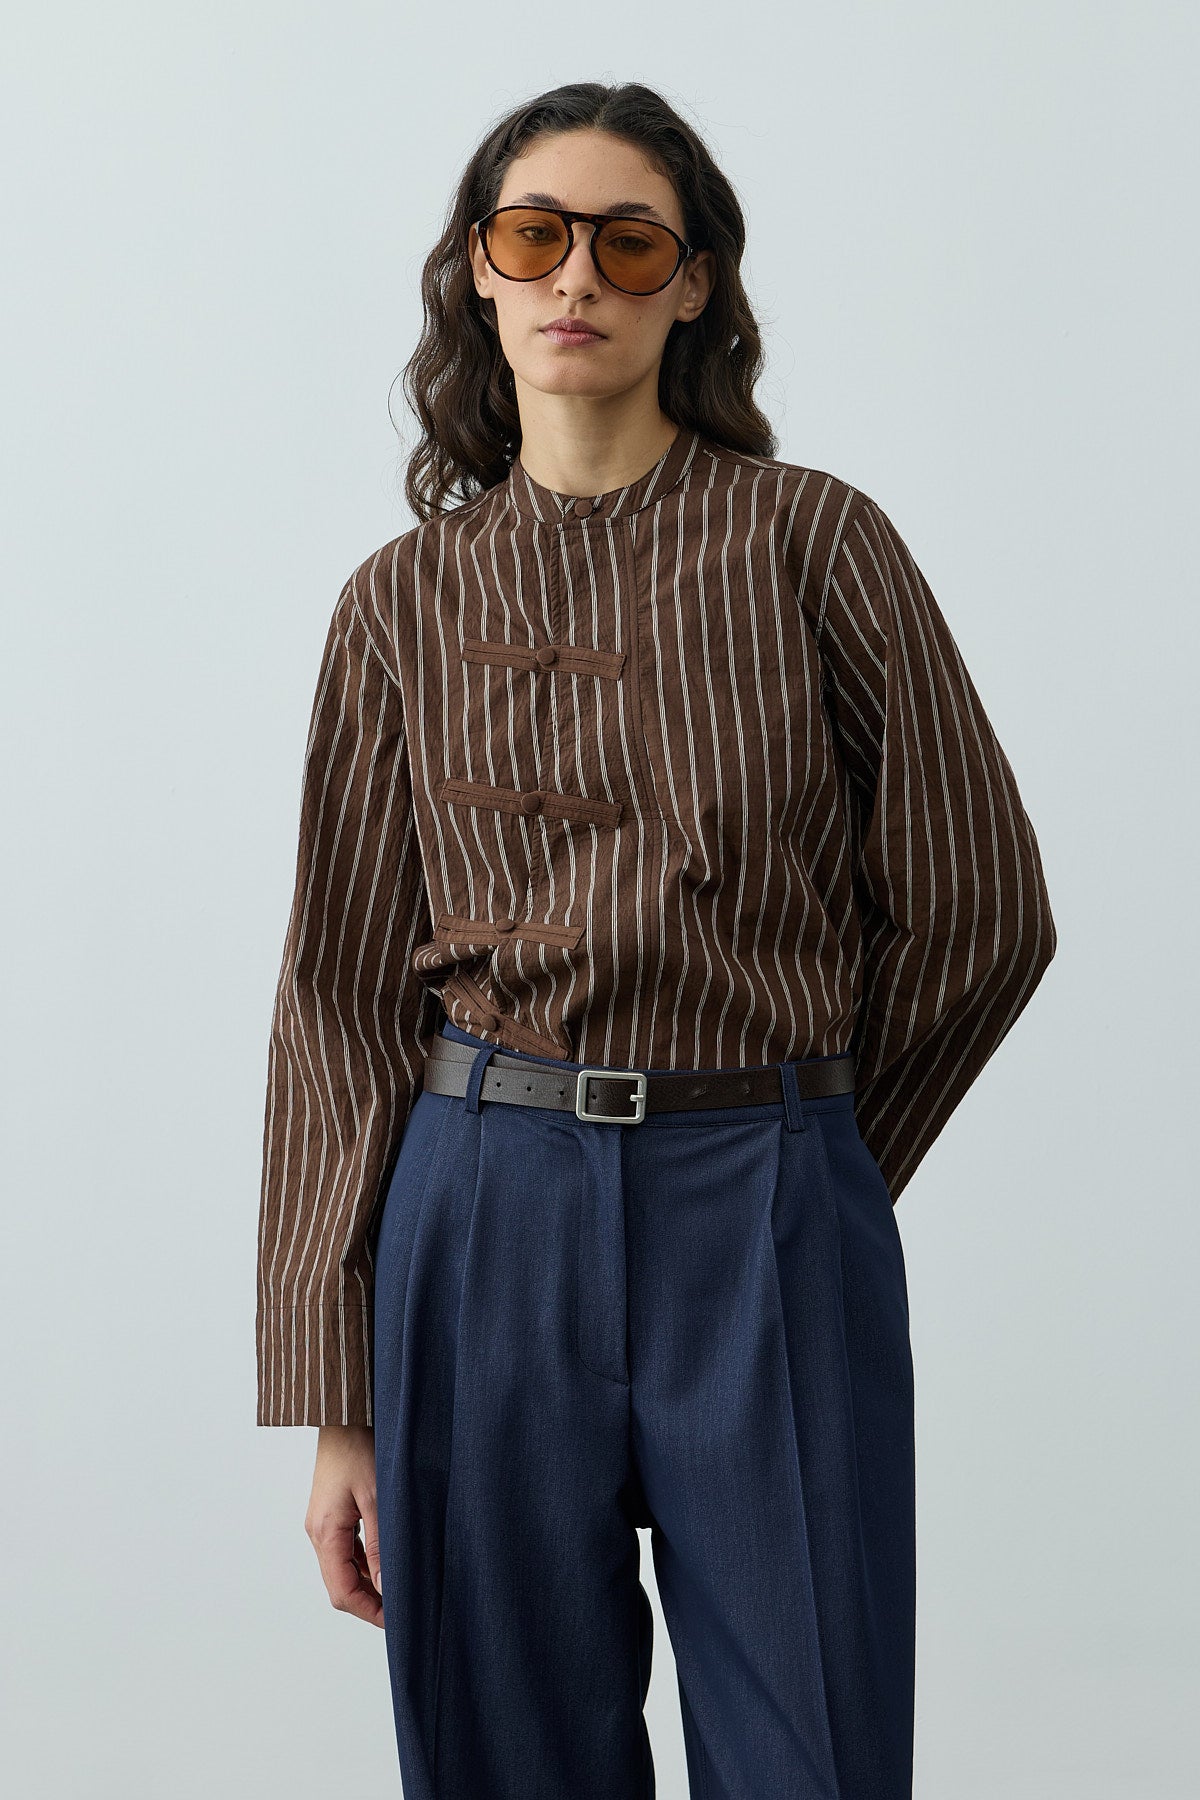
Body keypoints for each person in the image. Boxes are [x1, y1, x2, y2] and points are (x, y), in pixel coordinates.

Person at [255, 79, 1057, 1800]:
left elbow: (981, 907)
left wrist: (812, 1149)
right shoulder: (398, 603)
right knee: (504, 1755)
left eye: (629, 243)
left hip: (761, 1203)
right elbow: (336, 998)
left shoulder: (814, 539)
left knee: (812, 1749)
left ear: (694, 285)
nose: (577, 278)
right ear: (478, 271)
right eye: (534, 235)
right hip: (479, 1213)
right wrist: (339, 1396)